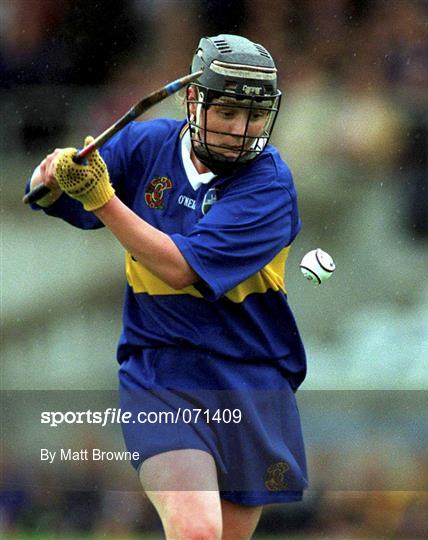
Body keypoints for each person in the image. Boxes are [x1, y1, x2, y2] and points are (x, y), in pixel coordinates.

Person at [27, 34, 308, 539]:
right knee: (197, 530)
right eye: (227, 113)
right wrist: (51, 173)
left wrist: (102, 199)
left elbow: (181, 268)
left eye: (256, 115)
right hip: (162, 372)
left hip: (251, 380)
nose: (241, 130)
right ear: (195, 100)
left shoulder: (269, 187)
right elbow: (57, 191)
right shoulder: (147, 145)